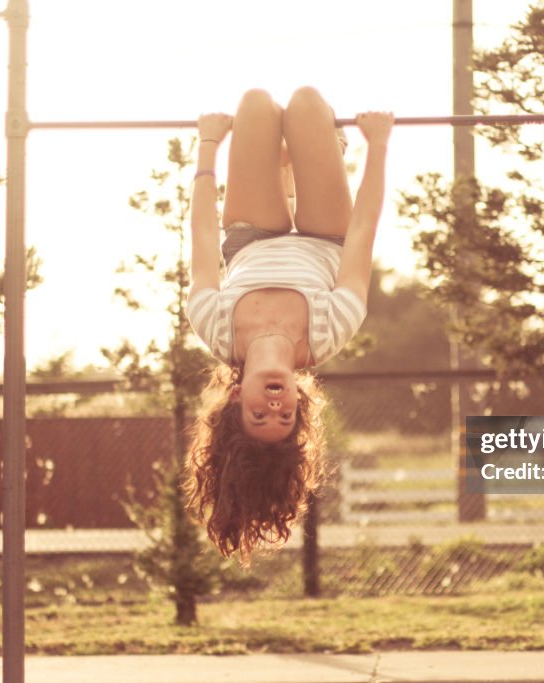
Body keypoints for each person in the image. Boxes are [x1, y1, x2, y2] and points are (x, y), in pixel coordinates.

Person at [183, 87, 393, 563]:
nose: (276, 406)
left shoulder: (215, 329)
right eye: (286, 416)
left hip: (251, 236)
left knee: (255, 105)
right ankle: (306, 161)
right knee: (305, 104)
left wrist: (208, 146)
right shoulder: (328, 333)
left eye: (261, 415)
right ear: (301, 404)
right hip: (329, 236)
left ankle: (288, 168)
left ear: (235, 400)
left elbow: (200, 235)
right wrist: (378, 146)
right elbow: (363, 232)